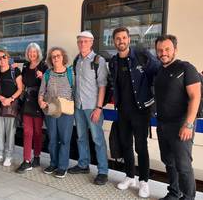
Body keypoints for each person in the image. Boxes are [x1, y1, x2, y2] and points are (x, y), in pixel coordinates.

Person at [109, 27, 161, 198]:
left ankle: (144, 182)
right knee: (126, 145)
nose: (121, 41)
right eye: (117, 38)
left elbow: (159, 71)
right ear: (114, 41)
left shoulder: (141, 55)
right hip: (123, 111)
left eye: (124, 37)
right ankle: (130, 176)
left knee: (141, 147)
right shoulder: (114, 62)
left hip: (141, 111)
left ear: (129, 39)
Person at [154, 35, 199, 200]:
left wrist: (188, 124)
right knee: (169, 162)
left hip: (181, 124)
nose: (163, 53)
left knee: (183, 165)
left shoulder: (186, 68)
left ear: (175, 50)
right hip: (162, 124)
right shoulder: (159, 70)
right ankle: (174, 193)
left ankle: (188, 197)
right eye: (160, 50)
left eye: (167, 49)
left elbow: (195, 97)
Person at [67, 31, 109, 185]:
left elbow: (102, 85)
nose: (82, 44)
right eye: (80, 41)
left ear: (91, 43)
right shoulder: (77, 60)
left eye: (85, 41)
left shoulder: (99, 60)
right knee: (81, 137)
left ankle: (103, 171)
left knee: (97, 139)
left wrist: (99, 108)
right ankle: (83, 165)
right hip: (78, 106)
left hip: (92, 107)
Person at [38, 47, 75, 179]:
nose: (56, 58)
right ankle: (53, 163)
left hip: (66, 112)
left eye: (58, 56)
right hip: (51, 111)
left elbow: (75, 92)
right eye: (53, 56)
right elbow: (41, 92)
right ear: (50, 59)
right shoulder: (47, 74)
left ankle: (62, 167)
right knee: (53, 139)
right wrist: (41, 102)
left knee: (65, 140)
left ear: (63, 57)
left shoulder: (71, 74)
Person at [16, 43, 48, 174]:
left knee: (37, 133)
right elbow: (22, 83)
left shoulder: (43, 66)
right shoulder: (25, 66)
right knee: (27, 132)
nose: (32, 54)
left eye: (34, 52)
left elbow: (49, 84)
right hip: (27, 102)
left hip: (38, 102)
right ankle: (26, 160)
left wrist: (43, 77)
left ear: (38, 53)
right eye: (30, 52)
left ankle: (37, 156)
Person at [0, 49, 23, 167]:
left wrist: (10, 99)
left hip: (11, 106)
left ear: (8, 58)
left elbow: (20, 88)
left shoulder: (16, 71)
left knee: (10, 133)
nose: (2, 59)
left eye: (4, 57)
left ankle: (8, 156)